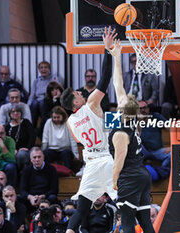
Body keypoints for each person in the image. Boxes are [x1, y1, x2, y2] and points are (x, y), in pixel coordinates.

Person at [61, 27, 117, 233]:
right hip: (107, 159)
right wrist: (107, 49)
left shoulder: (70, 122)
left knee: (82, 208)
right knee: (125, 200)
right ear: (75, 100)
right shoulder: (92, 103)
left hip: (91, 164)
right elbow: (105, 77)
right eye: (77, 92)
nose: (81, 91)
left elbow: (85, 138)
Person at [108, 39, 155, 233]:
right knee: (145, 223)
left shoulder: (120, 132)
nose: (121, 97)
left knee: (127, 222)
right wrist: (116, 57)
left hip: (129, 177)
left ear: (121, 109)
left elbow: (119, 160)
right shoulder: (131, 119)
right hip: (142, 176)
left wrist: (113, 181)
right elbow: (118, 82)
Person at [138, 100, 171, 181]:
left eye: (144, 108)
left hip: (157, 150)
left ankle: (161, 172)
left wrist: (173, 146)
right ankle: (137, 176)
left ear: (148, 109)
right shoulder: (132, 119)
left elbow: (172, 129)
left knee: (172, 154)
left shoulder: (155, 116)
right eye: (140, 108)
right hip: (141, 151)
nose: (142, 110)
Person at [19, 147, 58, 212]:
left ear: (43, 157)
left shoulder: (51, 169)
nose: (37, 159)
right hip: (31, 198)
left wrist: (42, 197)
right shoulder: (26, 170)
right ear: (31, 159)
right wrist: (30, 197)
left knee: (53, 197)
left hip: (46, 197)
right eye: (34, 157)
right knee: (19, 199)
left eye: (39, 157)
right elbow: (22, 190)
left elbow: (54, 189)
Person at [28, 61, 64, 128]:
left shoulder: (53, 79)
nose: (43, 69)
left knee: (42, 103)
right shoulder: (36, 81)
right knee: (34, 103)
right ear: (39, 70)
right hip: (38, 99)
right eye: (41, 68)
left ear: (49, 69)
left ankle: (45, 123)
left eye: (46, 67)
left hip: (48, 99)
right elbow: (32, 95)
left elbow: (59, 89)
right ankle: (32, 126)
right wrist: (28, 105)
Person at [5, 104, 36, 173]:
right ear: (9, 114)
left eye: (18, 111)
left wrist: (27, 148)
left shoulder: (26, 123)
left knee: (21, 154)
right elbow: (6, 141)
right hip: (12, 151)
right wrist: (13, 150)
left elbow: (32, 137)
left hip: (25, 150)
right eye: (13, 112)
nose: (15, 113)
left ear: (21, 113)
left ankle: (23, 174)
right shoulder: (7, 127)